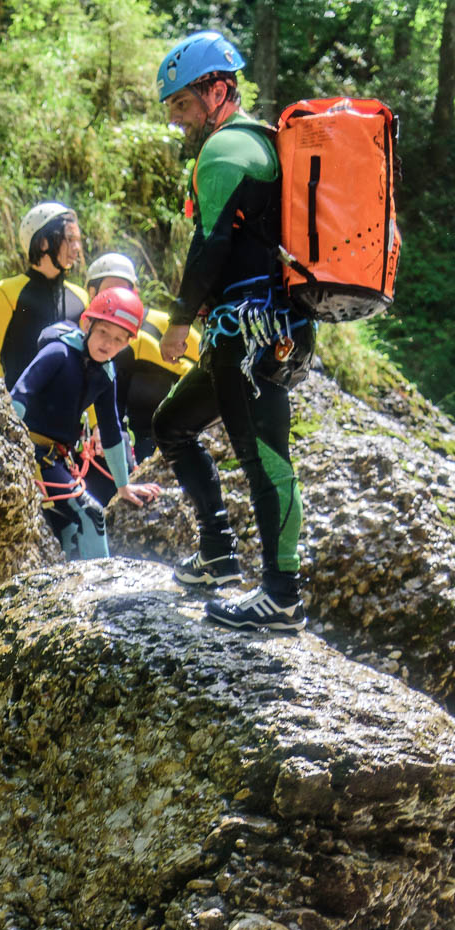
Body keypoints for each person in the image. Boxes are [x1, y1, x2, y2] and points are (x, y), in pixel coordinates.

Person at [152, 30, 316, 632]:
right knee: (172, 425)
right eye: (172, 107)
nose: (177, 119)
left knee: (264, 458)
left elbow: (211, 245)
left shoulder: (225, 151)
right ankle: (219, 555)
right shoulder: (259, 144)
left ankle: (280, 594)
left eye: (184, 104)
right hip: (249, 332)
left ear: (219, 91)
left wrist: (175, 322)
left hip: (253, 334)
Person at [11, 287, 162, 560]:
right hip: (30, 452)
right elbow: (20, 396)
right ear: (86, 324)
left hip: (54, 457)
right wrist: (9, 452)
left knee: (69, 528)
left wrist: (123, 486)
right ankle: (101, 595)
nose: (108, 344)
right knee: (91, 514)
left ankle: (71, 590)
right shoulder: (59, 352)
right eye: (103, 332)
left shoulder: (105, 372)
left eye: (118, 339)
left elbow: (111, 429)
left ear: (127, 344)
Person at [85, 252, 202, 464]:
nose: (117, 296)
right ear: (92, 292)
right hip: (109, 433)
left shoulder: (160, 325)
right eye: (110, 289)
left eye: (125, 289)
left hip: (158, 429)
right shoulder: (85, 331)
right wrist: (96, 425)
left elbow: (205, 359)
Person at [0, 201, 89, 387]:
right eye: (69, 239)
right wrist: (4, 404)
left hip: (64, 411)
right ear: (43, 242)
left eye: (78, 239)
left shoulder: (80, 298)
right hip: (17, 409)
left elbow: (87, 361)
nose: (77, 247)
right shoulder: (6, 291)